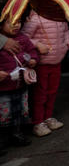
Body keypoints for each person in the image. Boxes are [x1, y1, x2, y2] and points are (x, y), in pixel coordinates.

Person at [21, 10, 69, 137]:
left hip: (57, 60)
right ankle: (38, 122)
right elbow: (24, 37)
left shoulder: (59, 15)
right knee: (40, 93)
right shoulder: (35, 18)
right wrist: (37, 44)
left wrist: (66, 44)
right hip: (42, 63)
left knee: (52, 91)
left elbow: (65, 31)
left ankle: (48, 117)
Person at [0, 15, 38, 149]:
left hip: (21, 83)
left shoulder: (23, 38)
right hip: (4, 86)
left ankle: (17, 133)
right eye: (11, 23)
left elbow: (31, 51)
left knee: (20, 109)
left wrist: (33, 59)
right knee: (4, 112)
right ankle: (3, 137)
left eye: (18, 21)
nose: (16, 25)